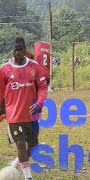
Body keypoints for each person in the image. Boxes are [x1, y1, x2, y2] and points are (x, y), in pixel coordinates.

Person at [0, 44, 48, 180]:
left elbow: (43, 87)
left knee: (33, 145)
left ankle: (16, 162)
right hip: (13, 116)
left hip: (31, 115)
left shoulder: (34, 66)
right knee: (20, 143)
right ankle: (28, 176)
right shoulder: (5, 69)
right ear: (12, 53)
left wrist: (39, 103)